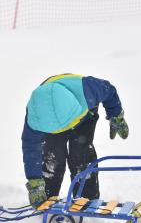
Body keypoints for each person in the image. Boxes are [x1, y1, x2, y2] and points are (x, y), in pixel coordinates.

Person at [21, 73, 128, 208]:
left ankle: (87, 201)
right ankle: (46, 199)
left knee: (82, 155)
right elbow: (30, 147)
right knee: (52, 157)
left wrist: (116, 116)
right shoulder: (37, 115)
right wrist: (34, 181)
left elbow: (109, 91)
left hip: (83, 116)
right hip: (51, 124)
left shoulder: (89, 88)